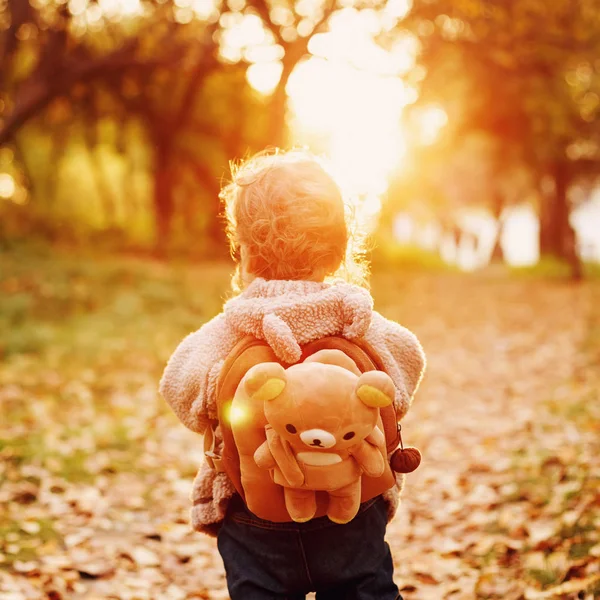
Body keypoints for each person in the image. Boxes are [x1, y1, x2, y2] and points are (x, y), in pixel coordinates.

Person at [159, 149, 426, 600]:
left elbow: (179, 389)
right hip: (352, 504)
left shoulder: (227, 331)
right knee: (366, 589)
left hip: (254, 515)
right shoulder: (357, 320)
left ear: (242, 252)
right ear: (340, 249)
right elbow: (407, 367)